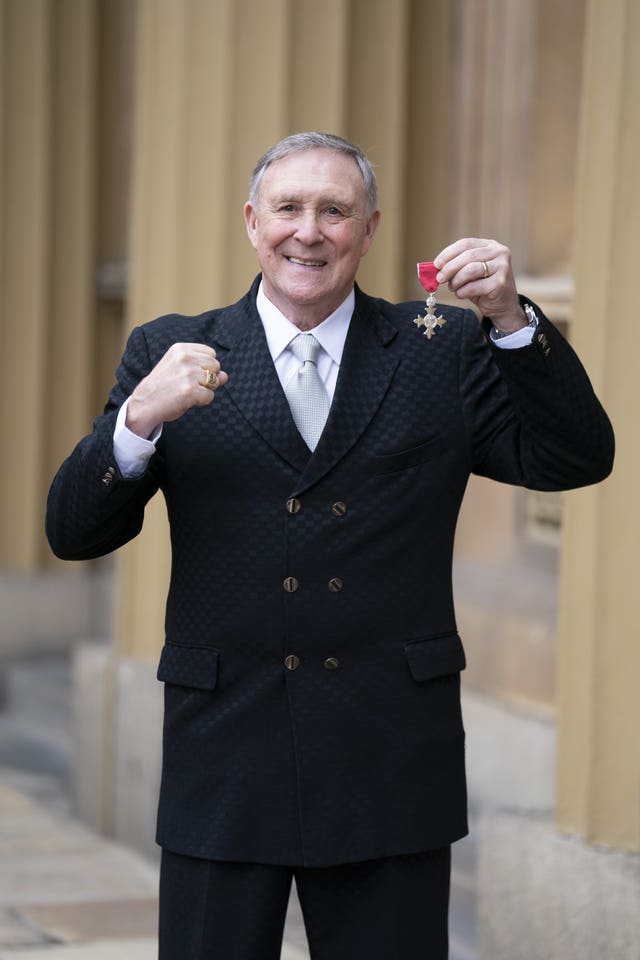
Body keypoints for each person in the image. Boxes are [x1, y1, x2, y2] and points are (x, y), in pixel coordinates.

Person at [46, 132, 614, 959]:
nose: (308, 231)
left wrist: (510, 319)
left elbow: (576, 456)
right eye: (289, 208)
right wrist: (137, 423)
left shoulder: (444, 350)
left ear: (369, 229)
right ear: (252, 222)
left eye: (335, 211)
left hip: (387, 755)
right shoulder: (171, 351)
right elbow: (72, 531)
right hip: (225, 756)